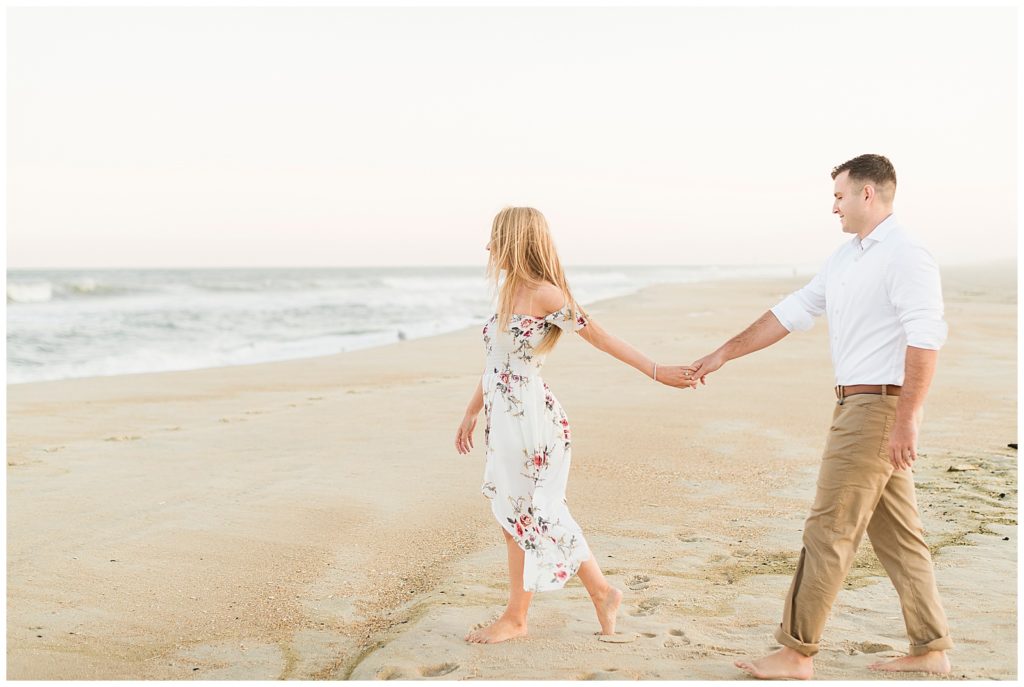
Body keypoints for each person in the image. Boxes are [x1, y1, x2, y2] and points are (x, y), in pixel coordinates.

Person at [690, 154, 953, 678]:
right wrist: (721, 354)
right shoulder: (846, 257)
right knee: (899, 535)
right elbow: (791, 312)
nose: (832, 205)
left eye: (839, 195)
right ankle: (931, 648)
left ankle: (795, 651)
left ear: (868, 195)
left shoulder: (906, 253)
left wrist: (907, 417)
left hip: (878, 408)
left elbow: (926, 337)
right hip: (857, 404)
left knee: (828, 528)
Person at [455, 206, 697, 643]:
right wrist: (472, 410)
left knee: (524, 514)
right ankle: (602, 593)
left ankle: (517, 617)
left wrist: (657, 370)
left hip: (532, 422)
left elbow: (599, 336)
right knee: (532, 512)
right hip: (505, 419)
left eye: (495, 238)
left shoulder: (547, 295)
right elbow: (496, 363)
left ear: (516, 239)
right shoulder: (509, 290)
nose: (489, 247)